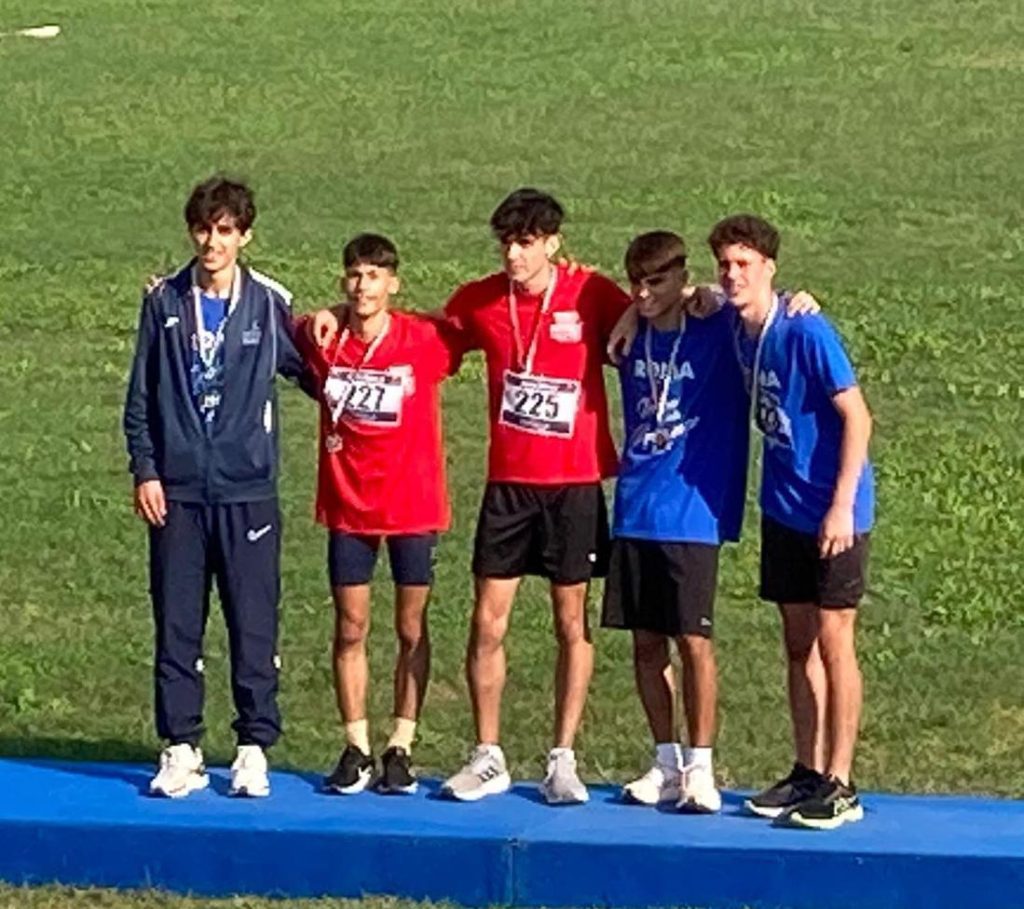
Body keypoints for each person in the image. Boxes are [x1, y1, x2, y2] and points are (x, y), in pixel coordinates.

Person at [604, 232, 819, 812]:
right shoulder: (630, 332)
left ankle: (702, 765)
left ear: (682, 277)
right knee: (646, 644)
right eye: (636, 283)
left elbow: (758, 303)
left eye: (656, 282)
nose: (644, 293)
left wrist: (801, 297)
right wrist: (631, 310)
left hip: (693, 511)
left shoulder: (716, 327)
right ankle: (665, 761)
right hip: (634, 506)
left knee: (694, 640)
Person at [439, 188, 631, 804]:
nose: (513, 256)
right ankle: (488, 754)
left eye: (525, 243)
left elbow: (652, 316)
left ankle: (562, 759)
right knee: (486, 621)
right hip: (509, 487)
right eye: (506, 244)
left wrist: (700, 298)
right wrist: (337, 315)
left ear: (552, 242)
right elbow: (421, 343)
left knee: (570, 622)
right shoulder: (479, 301)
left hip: (573, 485)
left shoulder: (592, 293)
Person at [123, 175, 309, 799]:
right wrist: (146, 470)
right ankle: (181, 747)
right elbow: (140, 397)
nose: (212, 242)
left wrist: (337, 325)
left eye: (225, 230)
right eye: (204, 229)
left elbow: (314, 369)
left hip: (247, 487)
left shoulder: (266, 304)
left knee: (252, 621)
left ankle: (253, 748)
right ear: (192, 233)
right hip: (176, 490)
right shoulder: (165, 302)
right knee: (177, 621)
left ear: (244, 236)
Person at [707, 214, 874, 829]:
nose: (732, 275)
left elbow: (858, 418)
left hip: (832, 509)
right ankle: (808, 770)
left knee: (836, 643)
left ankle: (842, 781)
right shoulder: (736, 324)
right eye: (726, 264)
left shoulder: (807, 331)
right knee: (797, 644)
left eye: (745, 265)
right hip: (782, 506)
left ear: (771, 268)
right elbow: (686, 299)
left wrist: (840, 505)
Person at [295, 234, 459, 796]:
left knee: (411, 626)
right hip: (348, 507)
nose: (363, 286)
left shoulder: (424, 340)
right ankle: (357, 746)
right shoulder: (325, 338)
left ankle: (401, 746)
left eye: (374, 275)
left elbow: (476, 323)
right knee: (351, 627)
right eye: (354, 275)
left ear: (394, 283)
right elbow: (281, 322)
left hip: (413, 505)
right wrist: (324, 313)